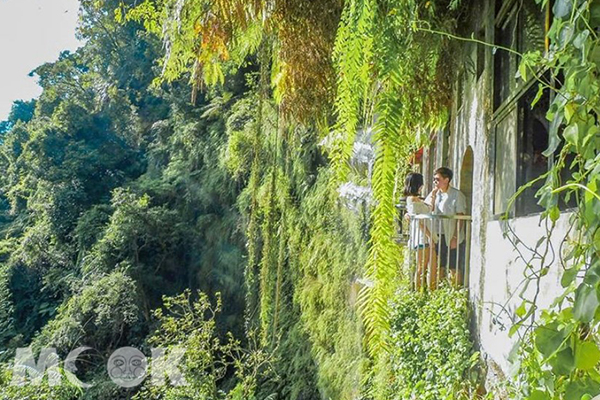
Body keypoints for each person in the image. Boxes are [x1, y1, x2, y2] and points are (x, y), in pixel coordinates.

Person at [425, 167, 467, 286]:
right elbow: (427, 209)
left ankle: (455, 290)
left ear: (446, 180)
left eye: (437, 179)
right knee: (440, 265)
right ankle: (439, 291)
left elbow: (460, 217)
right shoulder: (434, 194)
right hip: (438, 235)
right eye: (434, 180)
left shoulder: (456, 195)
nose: (435, 182)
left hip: (451, 234)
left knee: (454, 265)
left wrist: (455, 237)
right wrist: (433, 197)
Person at [404, 172, 438, 290]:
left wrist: (433, 194)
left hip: (426, 234)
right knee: (421, 267)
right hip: (422, 236)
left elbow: (429, 209)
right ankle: (418, 292)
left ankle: (429, 291)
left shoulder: (416, 199)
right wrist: (429, 236)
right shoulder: (412, 199)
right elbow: (419, 221)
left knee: (431, 266)